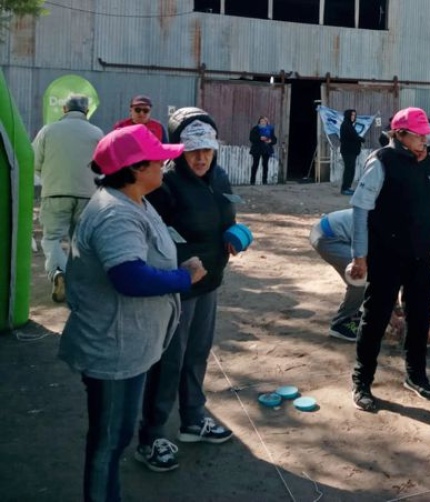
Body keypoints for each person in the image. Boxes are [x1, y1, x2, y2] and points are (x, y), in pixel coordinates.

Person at [58, 125, 205, 502]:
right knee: (108, 442)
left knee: (117, 436)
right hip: (113, 347)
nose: (164, 165)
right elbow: (129, 276)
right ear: (138, 167)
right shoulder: (115, 214)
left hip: (130, 344)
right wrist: (181, 277)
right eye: (158, 159)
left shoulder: (134, 199)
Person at [136, 107, 238, 472]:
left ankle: (193, 419)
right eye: (193, 149)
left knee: (197, 354)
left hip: (209, 281)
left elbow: (227, 215)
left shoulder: (220, 178)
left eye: (207, 150)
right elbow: (150, 235)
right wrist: (178, 264)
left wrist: (233, 235)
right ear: (177, 148)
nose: (200, 157)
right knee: (168, 361)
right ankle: (151, 435)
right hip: (177, 288)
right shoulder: (164, 184)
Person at [348, 107, 430, 412]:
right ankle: (362, 381)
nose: (424, 140)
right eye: (419, 135)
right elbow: (360, 208)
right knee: (375, 318)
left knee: (420, 315)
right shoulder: (381, 162)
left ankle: (416, 374)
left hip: (420, 255)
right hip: (386, 255)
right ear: (400, 134)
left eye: (425, 135)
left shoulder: (428, 163)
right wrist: (359, 255)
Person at [32, 94, 104, 302]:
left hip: (55, 192)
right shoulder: (97, 133)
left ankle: (58, 272)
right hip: (88, 195)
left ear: (64, 109)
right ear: (87, 111)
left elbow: (33, 161)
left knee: (52, 238)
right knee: (80, 241)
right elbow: (104, 164)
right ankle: (80, 284)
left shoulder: (48, 131)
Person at [309, 208, 363, 341]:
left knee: (364, 277)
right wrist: (393, 317)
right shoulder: (388, 228)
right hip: (328, 237)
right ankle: (341, 324)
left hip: (335, 233)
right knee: (360, 277)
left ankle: (352, 311)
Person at [339, 109, 365, 195]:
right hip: (348, 152)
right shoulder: (346, 125)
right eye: (352, 115)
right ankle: (345, 188)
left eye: (354, 115)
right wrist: (361, 139)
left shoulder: (349, 125)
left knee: (351, 170)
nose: (354, 117)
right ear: (348, 115)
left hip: (351, 152)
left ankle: (348, 187)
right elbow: (354, 137)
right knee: (348, 170)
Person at [248, 116, 276, 185]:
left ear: (266, 122)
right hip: (257, 149)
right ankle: (252, 181)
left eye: (264, 121)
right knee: (255, 164)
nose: (263, 122)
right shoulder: (255, 129)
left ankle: (264, 180)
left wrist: (270, 141)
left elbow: (274, 139)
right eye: (261, 121)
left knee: (265, 165)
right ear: (259, 122)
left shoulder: (270, 129)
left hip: (266, 149)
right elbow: (251, 138)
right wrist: (260, 138)